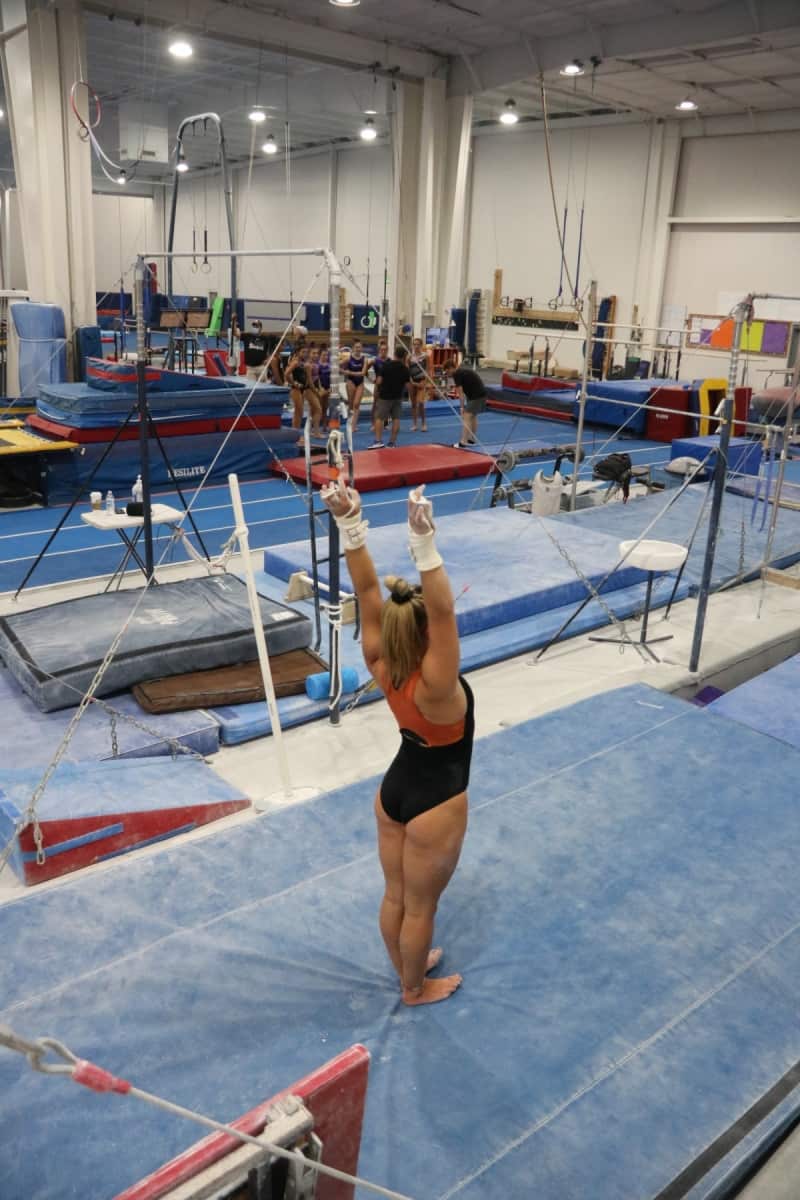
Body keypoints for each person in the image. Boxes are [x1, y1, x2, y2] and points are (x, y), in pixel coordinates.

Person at [321, 478, 473, 1006]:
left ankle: (408, 964)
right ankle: (414, 988)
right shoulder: (437, 685)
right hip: (438, 800)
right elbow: (445, 612)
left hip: (395, 790)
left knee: (397, 896)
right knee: (422, 907)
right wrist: (423, 543)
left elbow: (367, 592)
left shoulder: (380, 661)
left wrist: (350, 523)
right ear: (428, 632)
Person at [372, 345, 411, 449]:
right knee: (396, 419)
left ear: (394, 354)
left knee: (379, 418)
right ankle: (392, 443)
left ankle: (378, 441)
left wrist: (376, 390)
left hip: (385, 396)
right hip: (397, 397)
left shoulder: (386, 365)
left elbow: (379, 381)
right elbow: (408, 386)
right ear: (404, 356)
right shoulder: (405, 369)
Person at [445, 359, 488, 447]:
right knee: (473, 416)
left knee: (467, 416)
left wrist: (461, 407)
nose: (447, 373)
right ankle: (471, 439)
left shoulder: (457, 374)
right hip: (477, 394)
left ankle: (463, 442)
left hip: (477, 395)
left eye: (447, 371)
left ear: (451, 368)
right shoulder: (461, 371)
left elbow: (460, 394)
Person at [287, 347, 322, 442]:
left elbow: (307, 378)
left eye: (306, 352)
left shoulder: (301, 363)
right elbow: (286, 374)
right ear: (298, 352)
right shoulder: (295, 362)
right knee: (298, 413)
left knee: (299, 413)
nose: (305, 354)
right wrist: (294, 383)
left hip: (302, 389)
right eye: (303, 352)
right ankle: (296, 436)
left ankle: (296, 434)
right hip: (296, 389)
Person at [342, 339, 367, 432]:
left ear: (362, 348)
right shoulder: (348, 358)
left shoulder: (364, 359)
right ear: (353, 348)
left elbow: (363, 373)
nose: (358, 349)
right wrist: (344, 371)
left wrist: (349, 372)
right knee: (351, 404)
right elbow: (338, 366)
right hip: (351, 382)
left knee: (356, 404)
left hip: (360, 382)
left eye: (359, 347)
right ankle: (349, 423)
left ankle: (354, 425)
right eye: (356, 347)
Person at [408, 337, 430, 432]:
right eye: (415, 344)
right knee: (413, 404)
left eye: (418, 344)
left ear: (421, 345)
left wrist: (425, 381)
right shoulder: (409, 357)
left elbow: (428, 370)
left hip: (421, 381)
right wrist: (411, 381)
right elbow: (407, 370)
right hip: (412, 382)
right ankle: (414, 424)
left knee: (421, 402)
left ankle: (424, 424)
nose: (416, 346)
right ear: (412, 345)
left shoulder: (425, 356)